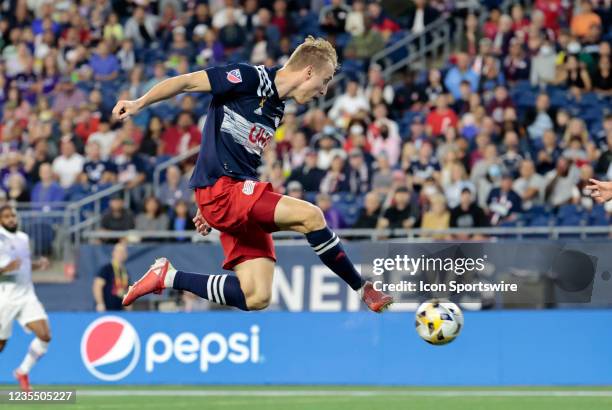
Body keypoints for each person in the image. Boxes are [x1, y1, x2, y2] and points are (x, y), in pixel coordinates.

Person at [113, 36, 392, 312]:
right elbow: (186, 81)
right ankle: (361, 287)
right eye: (326, 79)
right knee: (311, 216)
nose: (324, 90)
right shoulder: (248, 78)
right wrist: (140, 102)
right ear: (308, 71)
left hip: (230, 197)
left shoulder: (277, 108)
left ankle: (168, 276)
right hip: (223, 191)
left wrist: (208, 205)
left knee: (257, 296)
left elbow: (231, 148)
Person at [0, 205, 52, 392]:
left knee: (45, 335)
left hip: (27, 295)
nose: (11, 219)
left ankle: (23, 371)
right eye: (6, 217)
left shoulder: (23, 238)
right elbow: (9, 267)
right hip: (5, 297)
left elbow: (23, 265)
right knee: (1, 344)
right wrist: (6, 269)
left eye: (13, 215)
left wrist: (38, 264)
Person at [92, 242, 130, 312]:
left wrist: (128, 308)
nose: (121, 254)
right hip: (106, 310)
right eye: (118, 251)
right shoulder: (106, 269)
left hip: (120, 311)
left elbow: (128, 292)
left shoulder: (125, 272)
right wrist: (100, 303)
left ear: (126, 255)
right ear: (113, 253)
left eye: (123, 252)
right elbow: (97, 286)